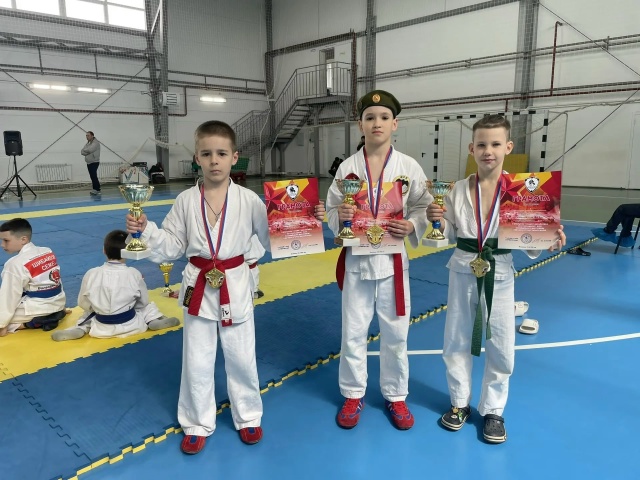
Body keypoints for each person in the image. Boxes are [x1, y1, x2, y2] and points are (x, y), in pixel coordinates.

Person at [125, 120, 325, 455]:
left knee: (241, 356)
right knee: (197, 359)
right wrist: (145, 229)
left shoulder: (249, 200)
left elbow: (272, 238)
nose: (214, 160)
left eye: (221, 153)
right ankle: (196, 422)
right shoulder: (185, 201)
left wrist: (305, 218)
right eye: (206, 154)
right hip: (199, 284)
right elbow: (172, 246)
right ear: (197, 159)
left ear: (234, 157)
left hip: (235, 282)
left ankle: (248, 416)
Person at [426, 115, 566, 444]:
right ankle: (459, 403)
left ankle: (493, 410)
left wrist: (548, 238)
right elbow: (446, 234)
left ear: (508, 147)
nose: (488, 151)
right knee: (455, 340)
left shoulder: (522, 191)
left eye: (495, 144)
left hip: (500, 271)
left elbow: (529, 238)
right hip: (462, 269)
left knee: (501, 344)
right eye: (482, 145)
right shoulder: (457, 190)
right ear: (471, 148)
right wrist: (437, 221)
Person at [326, 90, 432, 431]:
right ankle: (353, 393)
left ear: (394, 124)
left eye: (384, 117)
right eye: (370, 117)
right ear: (360, 125)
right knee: (353, 331)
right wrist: (340, 216)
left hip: (392, 263)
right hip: (357, 261)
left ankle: (396, 394)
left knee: (396, 332)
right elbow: (331, 208)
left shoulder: (408, 166)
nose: (377, 123)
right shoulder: (348, 168)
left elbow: (424, 204)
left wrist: (412, 224)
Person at [51, 230, 179, 341]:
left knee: (87, 314)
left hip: (101, 325)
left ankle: (80, 328)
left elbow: (82, 303)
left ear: (104, 250)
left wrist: (98, 307)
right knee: (148, 307)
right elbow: (143, 302)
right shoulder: (134, 273)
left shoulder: (91, 274)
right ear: (129, 251)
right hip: (131, 323)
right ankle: (153, 320)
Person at [0, 218, 68, 336]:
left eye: (6, 240)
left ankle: (32, 323)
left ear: (23, 239)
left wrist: (2, 325)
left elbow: (9, 296)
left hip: (36, 309)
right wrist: (61, 305)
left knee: (5, 312)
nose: (2, 245)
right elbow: (56, 280)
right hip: (57, 303)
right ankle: (54, 314)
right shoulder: (46, 251)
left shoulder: (14, 264)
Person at [82, 131, 101, 195]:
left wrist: (86, 150)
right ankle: (96, 188)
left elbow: (90, 150)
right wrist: (87, 151)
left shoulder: (95, 143)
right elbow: (82, 152)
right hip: (89, 162)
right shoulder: (88, 143)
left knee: (93, 176)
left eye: (88, 135)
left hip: (94, 162)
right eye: (86, 135)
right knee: (92, 176)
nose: (87, 137)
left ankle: (96, 189)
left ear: (92, 136)